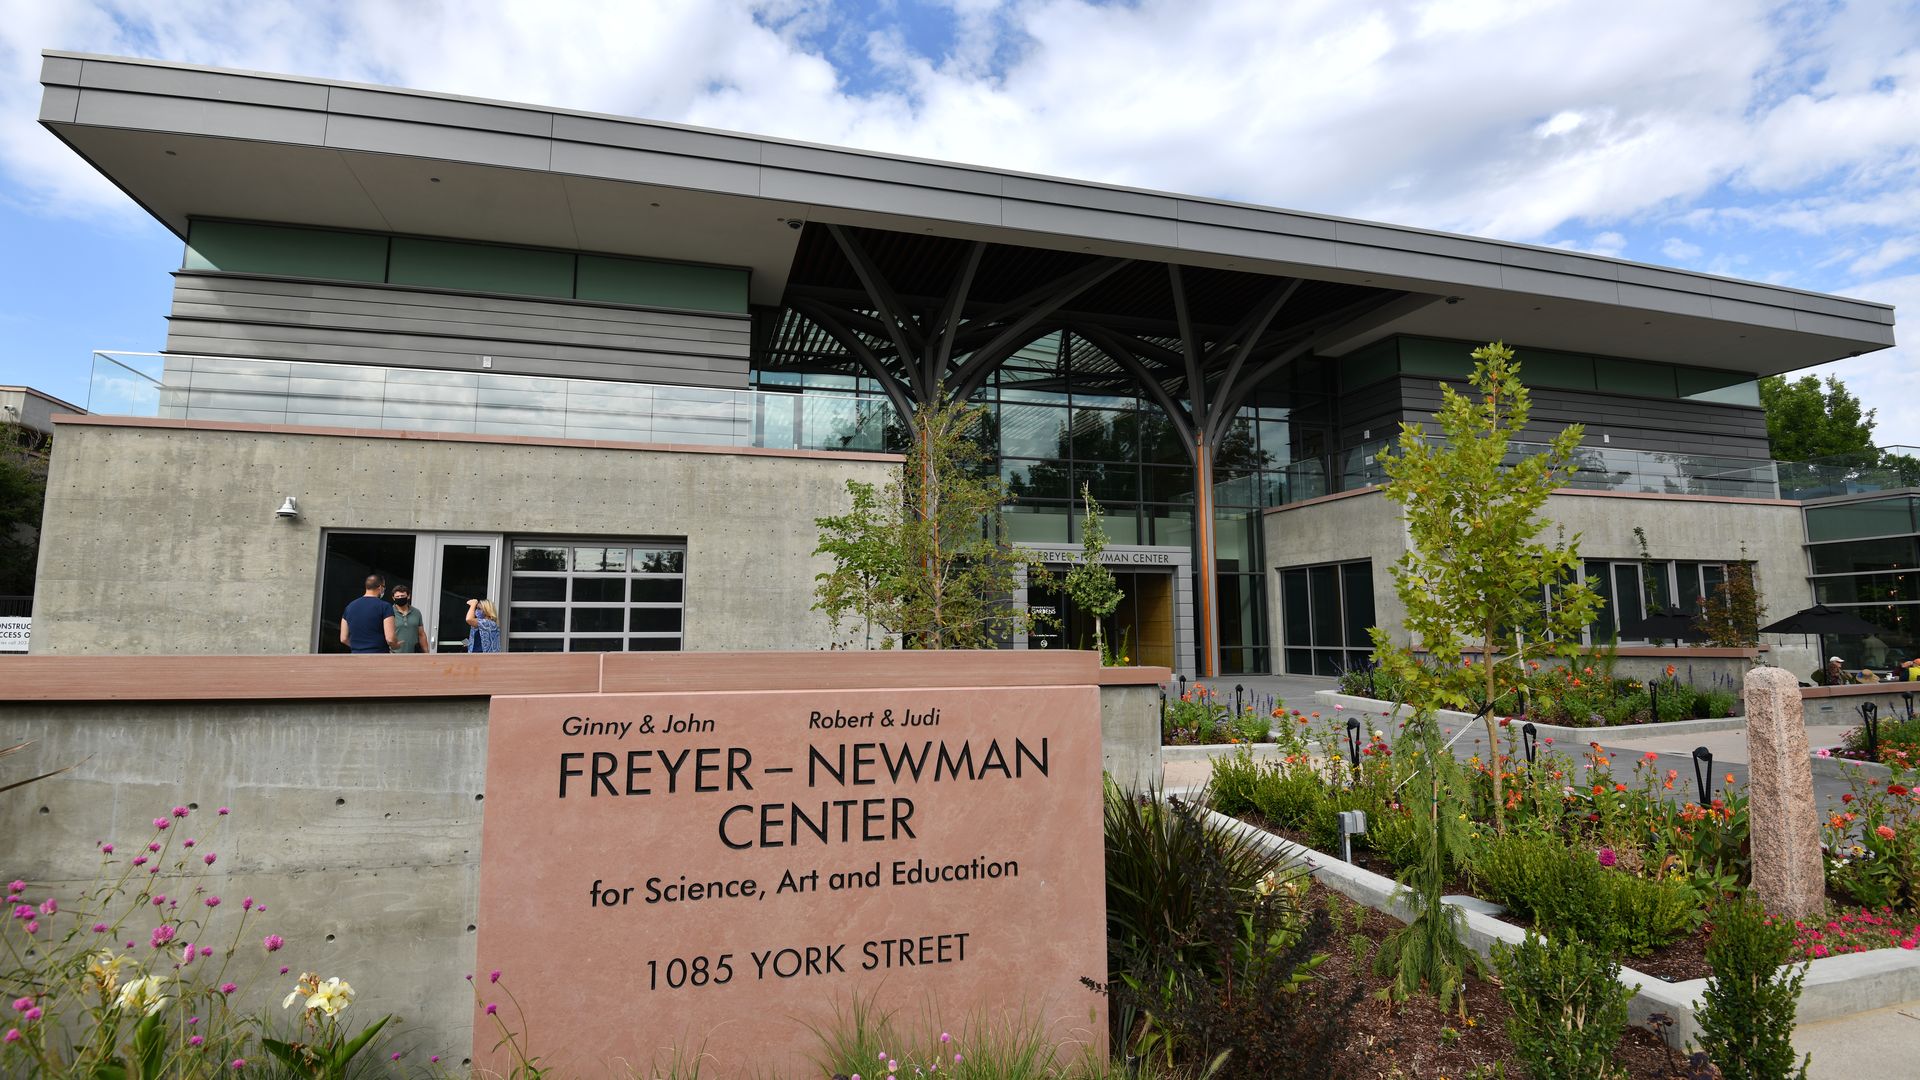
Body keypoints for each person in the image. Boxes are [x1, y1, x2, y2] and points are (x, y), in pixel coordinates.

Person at [339, 575, 397, 654]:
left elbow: (343, 638)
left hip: (356, 655)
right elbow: (390, 638)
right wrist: (395, 645)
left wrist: (358, 648)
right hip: (378, 656)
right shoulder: (385, 606)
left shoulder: (350, 607)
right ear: (380, 588)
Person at [390, 584, 428, 654]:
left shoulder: (416, 612)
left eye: (402, 596)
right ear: (393, 598)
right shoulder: (389, 612)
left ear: (408, 596)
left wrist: (426, 653)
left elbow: (421, 634)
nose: (400, 598)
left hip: (414, 654)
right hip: (394, 654)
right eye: (397, 596)